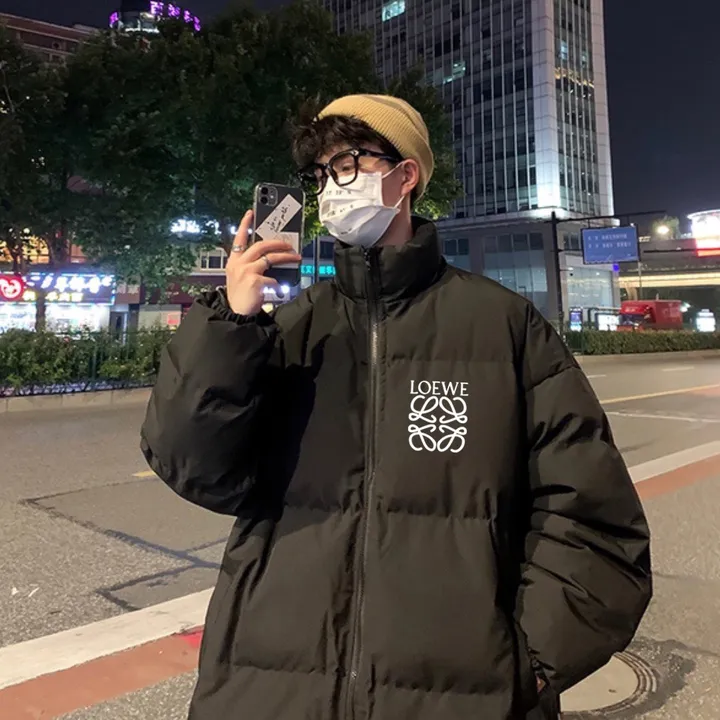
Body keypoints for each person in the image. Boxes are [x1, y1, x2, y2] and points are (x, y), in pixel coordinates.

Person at [141, 94, 652, 720]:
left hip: (457, 699)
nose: (331, 190)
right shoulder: (289, 329)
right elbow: (195, 468)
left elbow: (593, 518)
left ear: (405, 176)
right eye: (321, 174)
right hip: (271, 687)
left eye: (347, 165)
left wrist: (529, 668)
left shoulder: (502, 326)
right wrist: (231, 323)